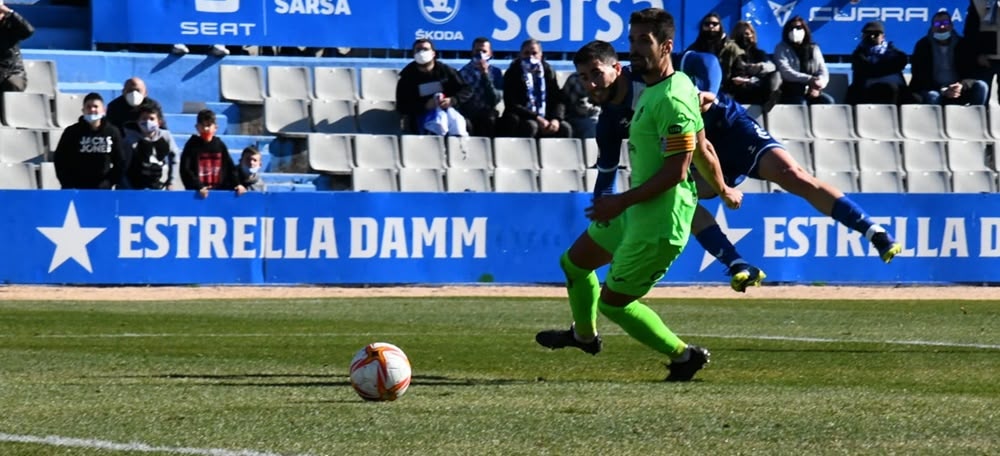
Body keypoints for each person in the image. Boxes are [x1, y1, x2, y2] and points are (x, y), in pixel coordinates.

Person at [535, 9, 742, 382]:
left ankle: (683, 356)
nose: (634, 48)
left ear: (666, 46)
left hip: (659, 220)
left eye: (643, 41)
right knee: (575, 263)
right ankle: (584, 336)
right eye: (631, 40)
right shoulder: (657, 93)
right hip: (636, 208)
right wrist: (725, 189)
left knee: (615, 303)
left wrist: (620, 201)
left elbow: (678, 169)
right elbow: (702, 148)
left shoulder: (671, 99)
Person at [678, 51, 903, 291]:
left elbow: (707, 62)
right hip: (697, 147)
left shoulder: (675, 64)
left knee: (792, 174)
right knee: (679, 196)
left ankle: (873, 231)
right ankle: (737, 264)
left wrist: (707, 92)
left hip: (732, 129)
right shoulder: (638, 91)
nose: (636, 52)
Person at [395, 38, 471, 136]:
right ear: (413, 54)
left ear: (433, 53)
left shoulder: (445, 71)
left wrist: (452, 100)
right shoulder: (407, 77)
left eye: (425, 49)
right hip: (420, 118)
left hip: (448, 111)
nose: (422, 52)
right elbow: (402, 106)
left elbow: (466, 89)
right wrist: (424, 106)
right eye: (418, 50)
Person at [910, 12, 988, 106]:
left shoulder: (963, 45)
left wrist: (962, 85)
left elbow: (972, 72)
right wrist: (943, 90)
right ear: (932, 27)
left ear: (951, 25)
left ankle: (977, 118)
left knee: (981, 86)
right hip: (935, 89)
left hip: (959, 88)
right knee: (932, 95)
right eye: (937, 24)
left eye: (945, 23)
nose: (942, 27)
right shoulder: (923, 46)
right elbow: (919, 76)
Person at [53, 92, 128, 189]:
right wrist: (67, 183)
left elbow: (120, 162)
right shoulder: (71, 132)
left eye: (96, 106)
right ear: (83, 110)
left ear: (103, 110)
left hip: (102, 190)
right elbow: (60, 159)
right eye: (88, 107)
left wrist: (109, 181)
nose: (92, 110)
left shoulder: (112, 132)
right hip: (76, 188)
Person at [500, 39, 572, 138]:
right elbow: (512, 104)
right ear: (520, 55)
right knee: (531, 126)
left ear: (541, 55)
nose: (531, 56)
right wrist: (537, 118)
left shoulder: (547, 71)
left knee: (565, 128)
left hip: (546, 116)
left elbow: (558, 99)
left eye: (534, 53)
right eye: (526, 53)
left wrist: (556, 119)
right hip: (523, 117)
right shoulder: (513, 72)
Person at [179, 109, 246, 198]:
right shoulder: (191, 145)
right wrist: (198, 186)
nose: (206, 129)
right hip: (197, 194)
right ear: (197, 127)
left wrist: (237, 184)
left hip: (219, 193)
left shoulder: (220, 145)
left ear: (215, 128)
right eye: (202, 126)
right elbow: (185, 169)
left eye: (208, 125)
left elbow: (230, 168)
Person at [722, 21, 782, 111]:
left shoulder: (759, 53)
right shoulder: (732, 52)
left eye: (747, 34)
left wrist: (760, 66)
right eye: (741, 34)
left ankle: (770, 98)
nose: (744, 37)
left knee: (776, 75)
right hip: (739, 87)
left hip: (757, 83)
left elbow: (771, 66)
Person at [774, 16, 835, 105]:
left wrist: (818, 85)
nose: (795, 31)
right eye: (791, 28)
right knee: (801, 103)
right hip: (790, 91)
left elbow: (823, 70)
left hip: (813, 88)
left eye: (798, 28)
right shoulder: (781, 48)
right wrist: (809, 79)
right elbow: (785, 72)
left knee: (828, 101)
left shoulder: (814, 48)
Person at [846, 21, 910, 105]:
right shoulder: (858, 54)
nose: (871, 37)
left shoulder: (894, 53)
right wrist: (888, 67)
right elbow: (866, 70)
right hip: (867, 91)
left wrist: (877, 68)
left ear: (883, 37)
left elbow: (902, 61)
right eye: (867, 34)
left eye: (875, 35)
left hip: (897, 91)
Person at [122, 103, 180, 190]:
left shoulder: (165, 136)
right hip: (134, 187)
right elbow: (123, 165)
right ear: (138, 121)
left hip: (158, 186)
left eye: (152, 119)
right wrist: (128, 188)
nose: (148, 122)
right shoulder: (130, 139)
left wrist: (171, 181)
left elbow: (175, 157)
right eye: (144, 119)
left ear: (159, 122)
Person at [458, 37, 504, 137]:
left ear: (490, 54)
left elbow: (494, 99)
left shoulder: (496, 73)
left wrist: (485, 75)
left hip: (487, 112)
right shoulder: (463, 72)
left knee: (490, 120)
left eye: (484, 51)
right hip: (468, 112)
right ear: (472, 52)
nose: (480, 54)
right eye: (477, 51)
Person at [965, 0, 1000, 103]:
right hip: (985, 59)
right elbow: (970, 31)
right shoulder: (978, 2)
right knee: (981, 97)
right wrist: (977, 53)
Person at [0, 1, 33, 93]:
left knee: (12, 84)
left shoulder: (11, 23)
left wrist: (10, 13)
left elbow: (28, 31)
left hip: (11, 73)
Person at [561, 72, 601, 139]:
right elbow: (582, 108)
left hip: (598, 114)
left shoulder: (605, 77)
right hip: (577, 117)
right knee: (594, 125)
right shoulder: (576, 79)